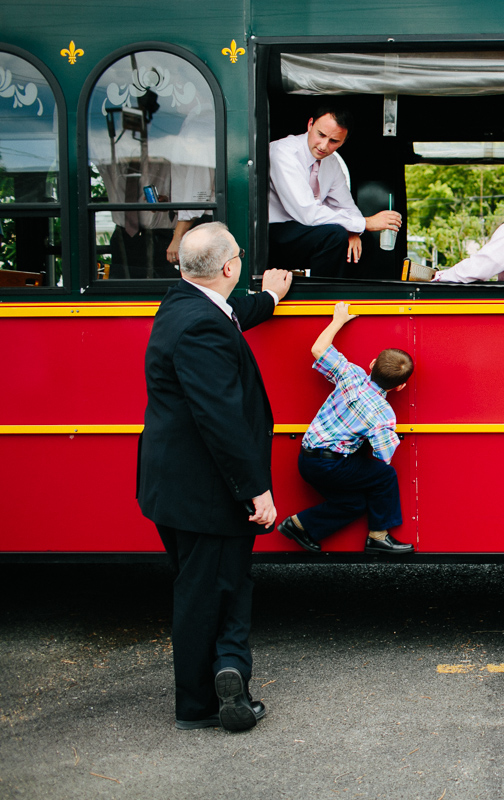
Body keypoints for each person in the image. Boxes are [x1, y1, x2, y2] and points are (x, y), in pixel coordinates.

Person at [137, 222, 293, 732]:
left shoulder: (182, 304)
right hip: (209, 491)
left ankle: (228, 671)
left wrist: (268, 298)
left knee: (210, 587)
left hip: (174, 486)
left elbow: (229, 313)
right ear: (230, 269)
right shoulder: (202, 325)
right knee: (215, 591)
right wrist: (256, 489)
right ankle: (202, 701)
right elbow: (221, 418)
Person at [276, 302, 414, 556]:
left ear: (372, 364)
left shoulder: (352, 375)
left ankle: (298, 525)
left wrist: (338, 319)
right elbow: (384, 456)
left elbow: (318, 349)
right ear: (400, 387)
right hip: (332, 466)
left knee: (353, 503)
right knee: (385, 476)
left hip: (307, 460)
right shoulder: (383, 413)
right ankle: (378, 537)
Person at [267, 107, 403, 277]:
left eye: (334, 141)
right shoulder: (283, 152)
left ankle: (351, 297)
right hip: (273, 233)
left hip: (305, 232)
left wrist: (354, 231)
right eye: (321, 135)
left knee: (363, 240)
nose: (324, 146)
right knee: (335, 235)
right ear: (310, 124)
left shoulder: (332, 163)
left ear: (343, 142)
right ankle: (321, 299)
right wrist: (364, 223)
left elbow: (347, 206)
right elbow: (307, 212)